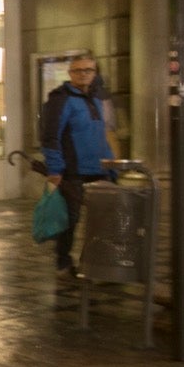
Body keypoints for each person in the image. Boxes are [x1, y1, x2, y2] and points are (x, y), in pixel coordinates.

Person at [41, 53, 118, 278]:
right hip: (73, 171)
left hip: (99, 169)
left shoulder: (98, 99)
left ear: (95, 73)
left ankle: (96, 263)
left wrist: (111, 166)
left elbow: (103, 135)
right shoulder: (60, 99)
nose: (83, 74)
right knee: (70, 220)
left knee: (104, 219)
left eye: (88, 70)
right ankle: (63, 263)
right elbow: (50, 137)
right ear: (70, 73)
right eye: (78, 70)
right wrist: (55, 169)